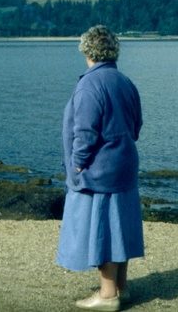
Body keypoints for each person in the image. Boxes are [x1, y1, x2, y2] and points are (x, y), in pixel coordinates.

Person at [56, 25, 144, 311]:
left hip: (100, 171)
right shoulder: (124, 81)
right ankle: (122, 287)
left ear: (86, 51)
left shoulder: (89, 85)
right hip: (125, 166)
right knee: (120, 227)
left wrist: (77, 165)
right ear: (113, 50)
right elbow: (136, 126)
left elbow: (84, 133)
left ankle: (107, 296)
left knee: (104, 230)